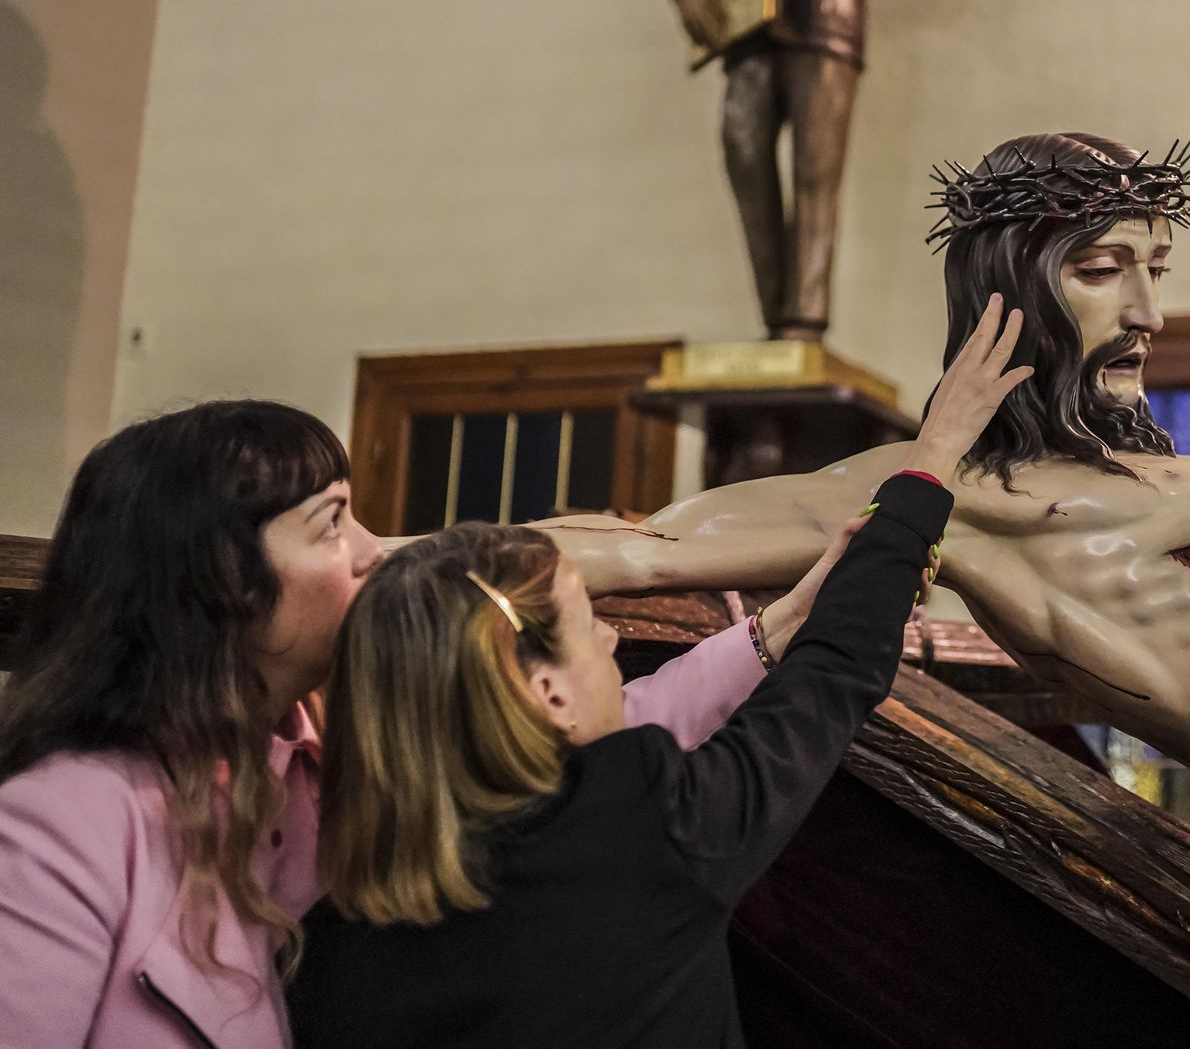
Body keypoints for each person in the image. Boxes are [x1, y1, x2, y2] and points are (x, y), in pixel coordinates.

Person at [532, 132, 1190, 1048]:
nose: (1148, 312)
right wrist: (367, 550)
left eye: (1156, 271)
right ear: (1007, 295)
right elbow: (646, 550)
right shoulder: (968, 495)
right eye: (1099, 269)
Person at [285, 303, 1028, 1048]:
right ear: (546, 693)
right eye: (588, 624)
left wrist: (795, 609)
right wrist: (932, 458)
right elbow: (833, 680)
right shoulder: (630, 827)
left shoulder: (329, 940)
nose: (613, 640)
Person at [0, 399, 801, 1049]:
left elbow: (568, 740)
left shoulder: (336, 756)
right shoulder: (68, 823)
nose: (374, 549)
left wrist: (781, 631)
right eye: (333, 523)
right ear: (222, 584)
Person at [669, 0, 863, 341]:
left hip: (824, 9)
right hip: (748, 17)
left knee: (816, 169)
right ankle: (775, 317)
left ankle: (805, 320)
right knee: (744, 150)